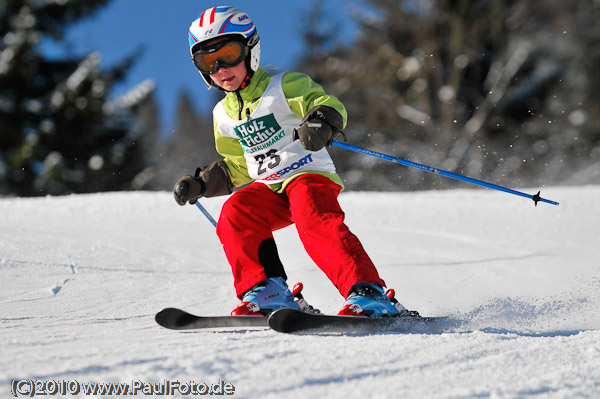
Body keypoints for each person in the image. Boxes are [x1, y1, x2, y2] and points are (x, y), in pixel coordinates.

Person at [174, 6, 409, 318]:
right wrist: (203, 183)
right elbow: (240, 165)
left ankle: (368, 292)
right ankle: (269, 291)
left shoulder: (283, 86)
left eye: (229, 54)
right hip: (269, 188)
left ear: (250, 50)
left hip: (307, 175)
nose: (220, 68)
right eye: (207, 61)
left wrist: (320, 121)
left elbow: (327, 103)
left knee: (312, 215)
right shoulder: (222, 116)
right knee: (235, 212)